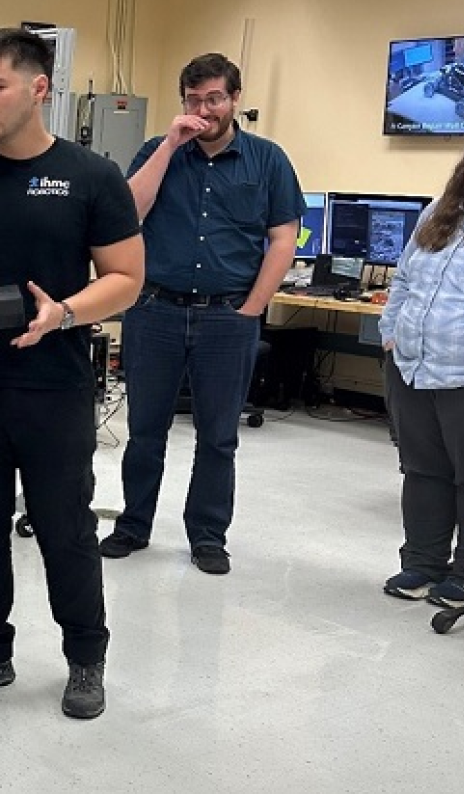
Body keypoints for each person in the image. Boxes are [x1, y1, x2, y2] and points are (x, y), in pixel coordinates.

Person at [0, 27, 143, 720]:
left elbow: (127, 278)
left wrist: (64, 312)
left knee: (65, 528)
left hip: (54, 387)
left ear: (39, 89)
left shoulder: (92, 177)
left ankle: (85, 660)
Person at [100, 53, 303, 575]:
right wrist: (170, 144)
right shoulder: (158, 151)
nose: (204, 110)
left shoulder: (268, 159)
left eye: (214, 98)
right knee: (145, 429)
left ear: (234, 98)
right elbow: (129, 213)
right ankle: (133, 524)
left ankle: (208, 536)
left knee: (218, 435)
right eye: (194, 100)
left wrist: (254, 307)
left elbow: (283, 239)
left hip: (227, 317)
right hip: (156, 311)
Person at [379, 122, 464, 607]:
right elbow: (402, 282)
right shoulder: (436, 215)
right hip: (412, 367)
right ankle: (421, 564)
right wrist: (389, 333)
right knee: (422, 470)